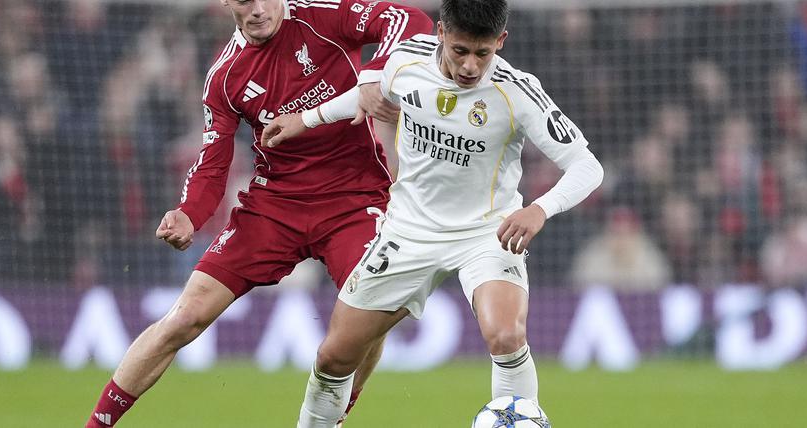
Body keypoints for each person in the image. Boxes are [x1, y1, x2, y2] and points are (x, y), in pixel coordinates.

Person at [84, 1, 432, 427]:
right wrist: (189, 213)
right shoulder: (225, 75)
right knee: (185, 316)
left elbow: (409, 19)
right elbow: (212, 161)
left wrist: (375, 73)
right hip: (274, 205)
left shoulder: (326, 15)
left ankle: (332, 416)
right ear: (226, 4)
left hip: (355, 199)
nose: (258, 9)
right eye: (244, 0)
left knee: (370, 312)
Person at [261, 0, 604, 425]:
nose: (470, 66)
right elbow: (369, 93)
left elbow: (588, 167)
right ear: (441, 33)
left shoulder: (517, 91)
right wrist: (307, 119)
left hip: (486, 233)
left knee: (507, 335)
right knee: (334, 357)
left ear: (501, 41)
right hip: (407, 232)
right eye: (460, 50)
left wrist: (540, 209)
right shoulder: (406, 58)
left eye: (483, 53)